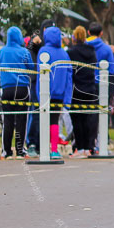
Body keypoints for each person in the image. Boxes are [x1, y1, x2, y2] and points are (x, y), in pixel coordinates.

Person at [0, 26, 32, 159]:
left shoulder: (3, 51)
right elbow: (31, 67)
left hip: (7, 88)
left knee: (8, 120)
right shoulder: (24, 51)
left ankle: (6, 151)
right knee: (22, 120)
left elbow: (0, 64)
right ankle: (20, 150)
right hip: (22, 88)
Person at [38, 25, 73, 160]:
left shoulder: (43, 51)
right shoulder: (64, 53)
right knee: (54, 122)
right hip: (59, 95)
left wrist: (38, 94)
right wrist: (67, 98)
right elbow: (69, 78)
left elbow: (40, 73)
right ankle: (54, 150)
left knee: (43, 120)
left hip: (45, 94)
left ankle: (44, 149)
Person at [67, 25, 99, 158]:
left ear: (74, 37)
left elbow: (70, 71)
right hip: (90, 88)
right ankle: (88, 147)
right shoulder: (92, 51)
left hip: (76, 88)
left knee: (77, 119)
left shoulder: (71, 52)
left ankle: (79, 149)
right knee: (87, 119)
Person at [25, 18, 55, 157]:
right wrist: (33, 41)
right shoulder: (36, 43)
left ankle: (42, 143)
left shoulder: (52, 45)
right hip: (36, 81)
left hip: (49, 82)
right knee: (36, 112)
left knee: (47, 114)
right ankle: (31, 143)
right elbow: (29, 51)